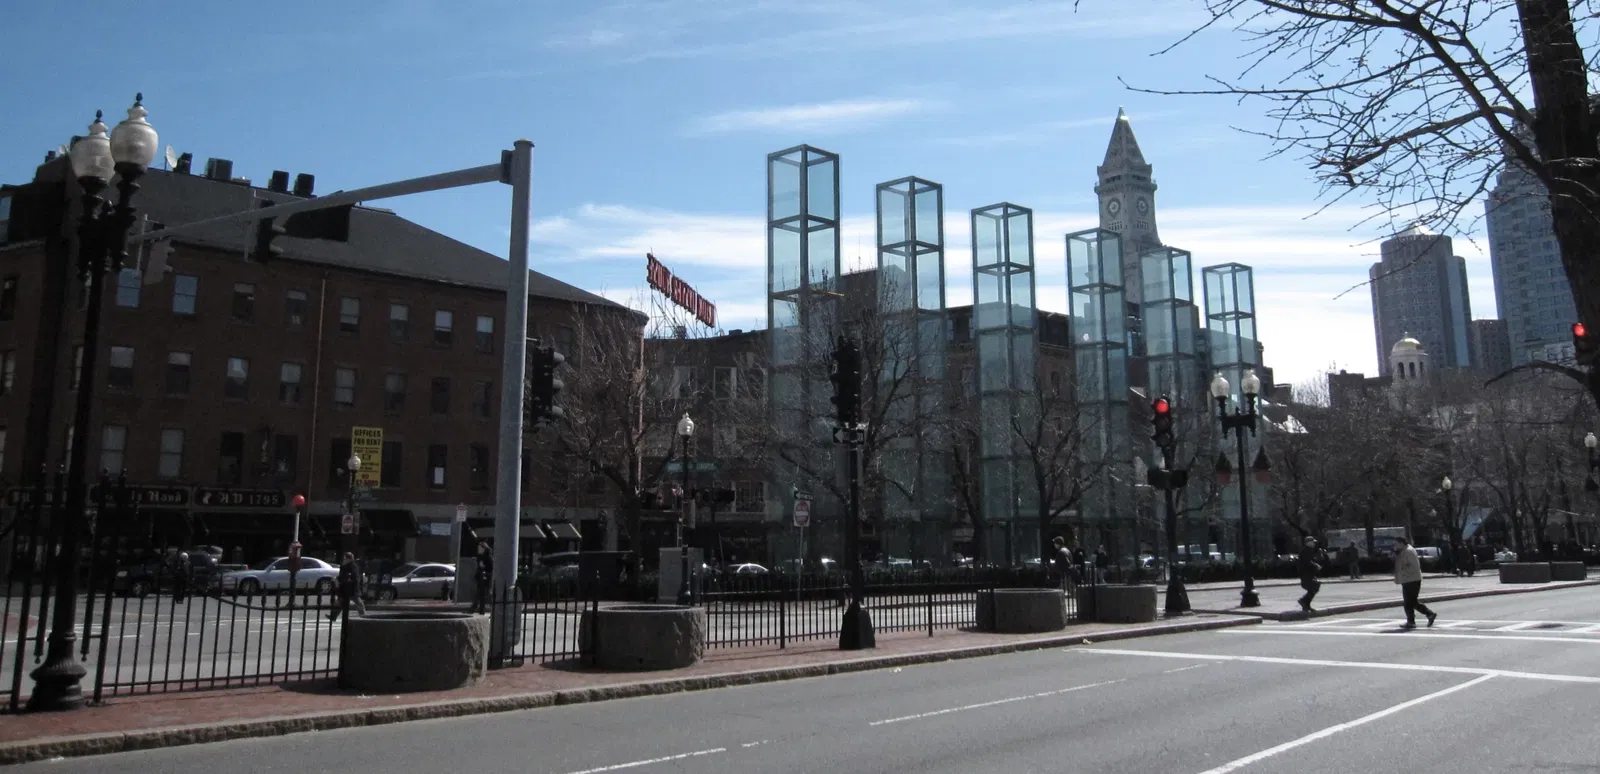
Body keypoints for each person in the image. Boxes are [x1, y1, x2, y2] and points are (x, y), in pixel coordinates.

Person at [1393, 536, 1436, 630]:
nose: (1395, 546)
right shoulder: (1404, 551)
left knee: (1408, 603)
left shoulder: (1408, 551)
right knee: (1412, 602)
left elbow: (1412, 566)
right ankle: (1429, 614)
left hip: (1411, 580)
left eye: (1396, 543)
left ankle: (1411, 621)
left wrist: (1402, 569)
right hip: (1408, 579)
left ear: (1401, 543)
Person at [329, 552, 366, 621]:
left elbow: (354, 577)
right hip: (344, 588)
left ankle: (363, 615)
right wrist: (337, 579)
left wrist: (342, 579)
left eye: (345, 558)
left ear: (349, 559)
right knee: (340, 602)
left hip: (352, 588)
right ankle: (333, 616)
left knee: (358, 602)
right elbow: (342, 576)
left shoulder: (353, 566)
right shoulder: (344, 566)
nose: (344, 559)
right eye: (344, 558)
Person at [1297, 537, 1323, 613]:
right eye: (1313, 542)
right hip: (1306, 574)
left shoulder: (1309, 550)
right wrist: (1315, 565)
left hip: (1309, 573)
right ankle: (1303, 601)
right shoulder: (1305, 551)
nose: (1314, 543)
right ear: (1308, 543)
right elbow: (1307, 562)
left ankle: (1306, 605)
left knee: (1315, 587)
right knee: (1314, 586)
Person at [473, 541, 494, 615]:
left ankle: (474, 609)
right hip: (480, 578)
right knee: (480, 595)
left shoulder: (488, 557)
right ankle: (480, 610)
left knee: (482, 595)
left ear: (484, 549)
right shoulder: (479, 557)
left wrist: (484, 568)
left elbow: (491, 569)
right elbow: (479, 568)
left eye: (479, 548)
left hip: (486, 579)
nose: (478, 549)